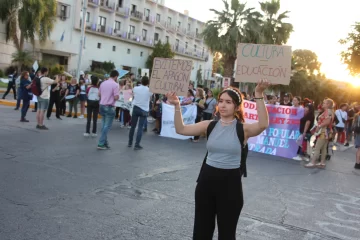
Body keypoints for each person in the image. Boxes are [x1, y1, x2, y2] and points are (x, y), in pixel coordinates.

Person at [166, 79, 270, 239]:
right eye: (221, 101)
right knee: (201, 232)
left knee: (227, 234)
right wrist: (177, 106)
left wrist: (258, 94)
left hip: (231, 187)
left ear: (236, 106)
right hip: (206, 184)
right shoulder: (209, 125)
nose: (223, 105)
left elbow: (263, 124)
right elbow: (181, 129)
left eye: (228, 102)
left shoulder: (243, 129)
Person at [305, 98, 335, 168]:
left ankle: (313, 162)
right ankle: (322, 162)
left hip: (323, 132)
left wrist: (319, 126)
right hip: (326, 131)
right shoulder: (330, 111)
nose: (323, 104)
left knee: (317, 147)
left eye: (324, 103)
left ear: (328, 104)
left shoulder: (328, 112)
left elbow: (327, 122)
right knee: (323, 148)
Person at [128, 76, 152, 150]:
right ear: (148, 82)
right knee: (140, 127)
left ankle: (130, 142)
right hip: (144, 109)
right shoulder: (150, 90)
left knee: (133, 126)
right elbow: (150, 99)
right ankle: (137, 144)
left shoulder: (136, 88)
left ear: (141, 81)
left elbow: (132, 95)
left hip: (136, 107)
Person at [97, 70, 120, 150]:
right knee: (107, 126)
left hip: (102, 105)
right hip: (109, 106)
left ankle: (105, 142)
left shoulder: (103, 83)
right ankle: (100, 143)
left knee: (104, 125)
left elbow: (99, 94)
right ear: (116, 76)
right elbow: (116, 97)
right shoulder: (115, 85)